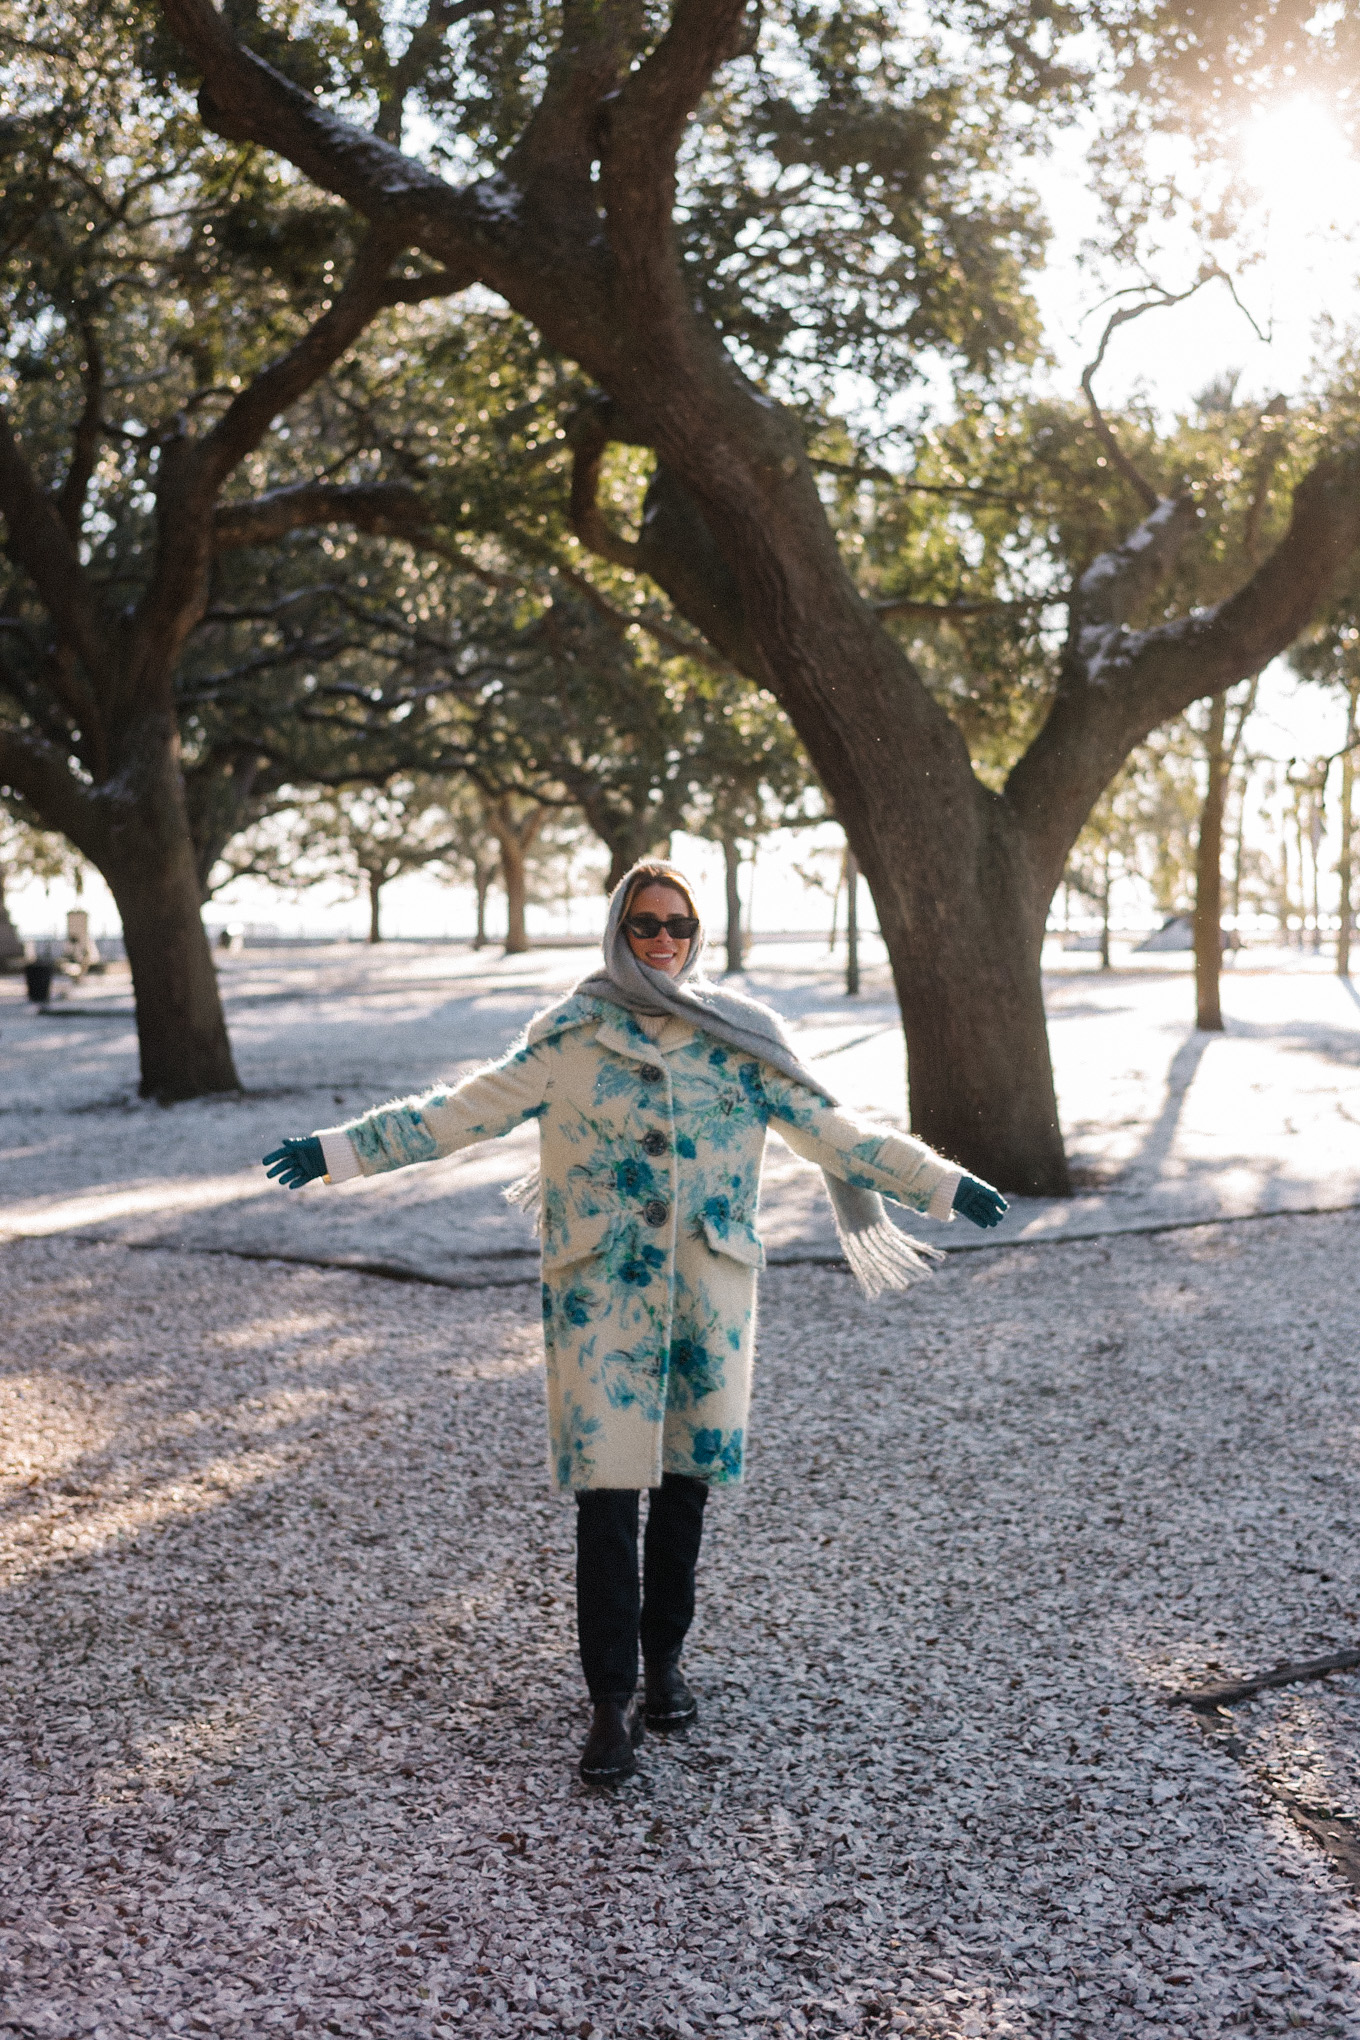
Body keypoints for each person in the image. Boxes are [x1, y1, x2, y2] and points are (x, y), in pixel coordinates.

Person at [263, 861, 1007, 1783]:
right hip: (600, 1297)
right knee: (607, 1502)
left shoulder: (741, 1045)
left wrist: (939, 1182)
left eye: (680, 927)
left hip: (708, 1292)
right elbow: (456, 1116)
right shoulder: (569, 1042)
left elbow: (836, 1132)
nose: (664, 941)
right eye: (647, 924)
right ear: (618, 931)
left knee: (685, 1494)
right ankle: (609, 1703)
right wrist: (338, 1150)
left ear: (698, 936)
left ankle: (665, 1669)